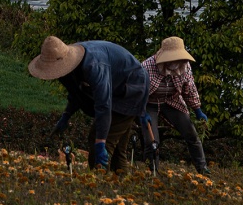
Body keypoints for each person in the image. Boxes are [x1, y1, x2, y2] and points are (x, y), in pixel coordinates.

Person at [28, 35, 149, 172]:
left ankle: (98, 181)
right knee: (118, 147)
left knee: (101, 140)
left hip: (132, 89)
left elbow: (103, 105)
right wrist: (66, 116)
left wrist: (100, 142)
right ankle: (121, 182)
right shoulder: (67, 69)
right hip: (116, 88)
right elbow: (75, 94)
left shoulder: (93, 66)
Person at [140, 36, 209, 174]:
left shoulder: (185, 66)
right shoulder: (147, 67)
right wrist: (142, 112)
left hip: (171, 100)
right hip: (149, 103)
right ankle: (151, 171)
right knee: (152, 141)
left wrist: (197, 110)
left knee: (191, 133)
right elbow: (137, 92)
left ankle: (203, 169)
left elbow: (190, 89)